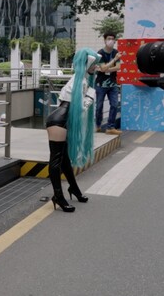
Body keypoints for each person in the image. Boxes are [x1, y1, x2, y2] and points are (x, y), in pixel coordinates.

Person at [44, 48, 103, 212]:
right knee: (56, 160)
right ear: (88, 64)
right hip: (59, 121)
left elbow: (63, 100)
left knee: (63, 159)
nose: (96, 68)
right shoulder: (81, 82)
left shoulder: (79, 80)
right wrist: (91, 96)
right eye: (94, 65)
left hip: (61, 119)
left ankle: (74, 189)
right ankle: (58, 196)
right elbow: (80, 109)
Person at [94, 32, 122, 135]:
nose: (111, 40)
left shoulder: (116, 51)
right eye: (109, 38)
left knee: (114, 105)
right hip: (101, 85)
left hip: (113, 84)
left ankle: (110, 127)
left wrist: (105, 68)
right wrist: (114, 60)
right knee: (99, 106)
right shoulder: (100, 53)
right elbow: (103, 68)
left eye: (113, 39)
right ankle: (98, 125)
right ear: (105, 40)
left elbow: (118, 67)